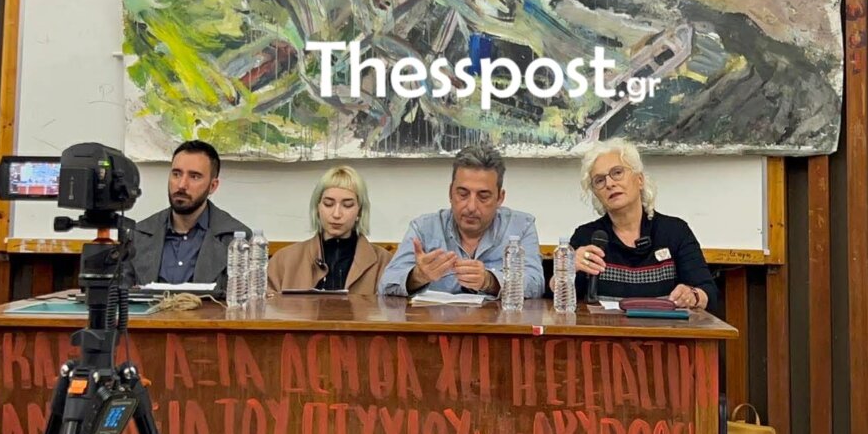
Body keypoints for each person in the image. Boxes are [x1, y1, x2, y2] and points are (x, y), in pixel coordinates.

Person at [379, 143, 545, 298]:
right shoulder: (424, 228)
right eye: (463, 194)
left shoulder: (521, 227)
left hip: (497, 320)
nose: (471, 206)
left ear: (500, 198)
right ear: (450, 193)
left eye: (483, 196)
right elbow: (386, 285)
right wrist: (417, 277)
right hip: (437, 319)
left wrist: (490, 281)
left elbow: (536, 284)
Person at [570, 139, 718, 309]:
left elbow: (708, 292)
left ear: (639, 179)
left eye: (617, 172)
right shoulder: (587, 237)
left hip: (664, 325)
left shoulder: (675, 232)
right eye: (599, 181)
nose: (609, 184)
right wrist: (567, 269)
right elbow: (556, 295)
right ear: (596, 194)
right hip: (604, 326)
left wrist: (693, 295)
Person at [128, 140, 251, 287]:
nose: (181, 185)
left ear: (212, 186)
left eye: (194, 176)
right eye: (176, 174)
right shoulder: (139, 235)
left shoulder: (235, 239)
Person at [268, 166, 393, 294]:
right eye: (328, 204)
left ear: (360, 211)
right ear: (317, 207)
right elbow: (265, 302)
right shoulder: (284, 260)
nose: (336, 214)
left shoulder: (384, 262)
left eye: (347, 205)